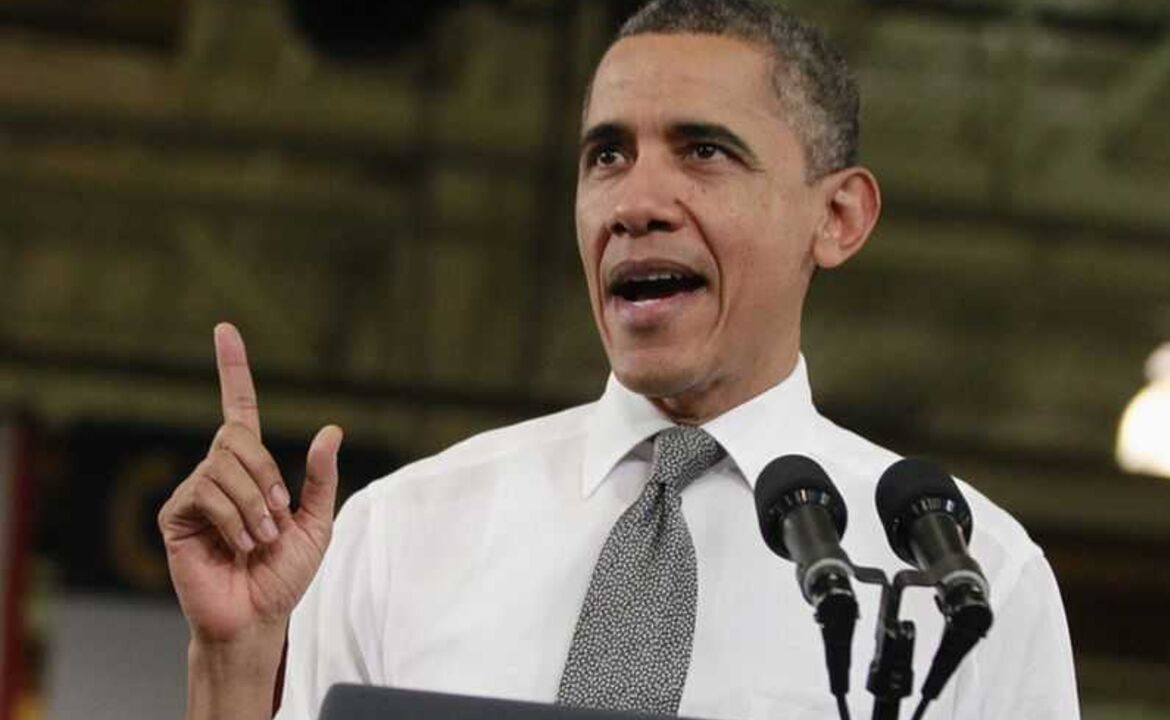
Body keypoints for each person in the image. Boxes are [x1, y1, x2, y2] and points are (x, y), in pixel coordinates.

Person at [158, 1, 1080, 718]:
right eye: (607, 155)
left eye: (704, 151)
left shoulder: (971, 579)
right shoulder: (402, 533)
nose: (636, 202)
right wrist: (235, 666)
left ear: (836, 218)